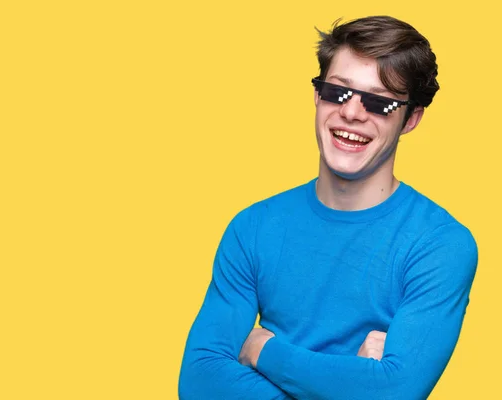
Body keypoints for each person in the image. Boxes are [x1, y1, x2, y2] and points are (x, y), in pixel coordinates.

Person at [178, 15, 478, 400]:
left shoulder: (440, 245)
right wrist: (349, 381)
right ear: (317, 96)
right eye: (338, 92)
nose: (352, 112)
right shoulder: (252, 227)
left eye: (379, 102)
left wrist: (260, 350)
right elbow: (199, 383)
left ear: (410, 119)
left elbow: (395, 390)